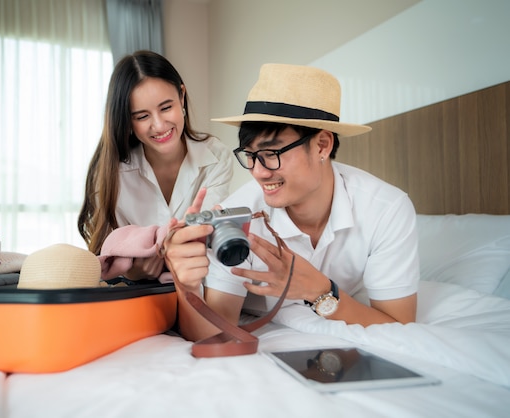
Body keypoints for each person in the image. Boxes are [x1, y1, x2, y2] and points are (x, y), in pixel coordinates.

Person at [163, 64, 419, 342]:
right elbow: (213, 334)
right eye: (249, 155)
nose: (258, 171)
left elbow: (398, 327)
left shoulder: (386, 209)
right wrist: (186, 287)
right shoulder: (238, 217)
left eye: (271, 153)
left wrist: (318, 291)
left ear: (322, 145)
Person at [78, 50, 234, 281]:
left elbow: (204, 238)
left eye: (165, 108)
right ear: (127, 121)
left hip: (199, 285)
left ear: (181, 96)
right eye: (142, 117)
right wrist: (131, 273)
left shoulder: (216, 156)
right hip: (135, 295)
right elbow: (109, 255)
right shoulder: (111, 174)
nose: (159, 126)